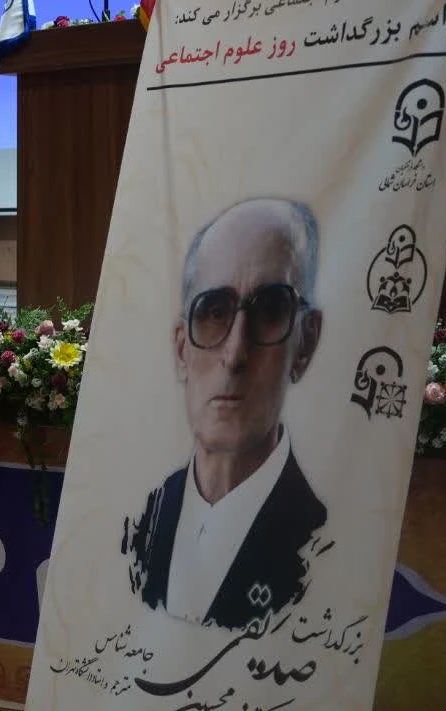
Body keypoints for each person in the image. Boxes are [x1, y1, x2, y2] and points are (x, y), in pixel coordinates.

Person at [123, 197, 328, 632]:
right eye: (214, 312)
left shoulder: (326, 545)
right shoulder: (134, 523)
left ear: (306, 343)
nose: (235, 354)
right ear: (182, 348)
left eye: (270, 310)